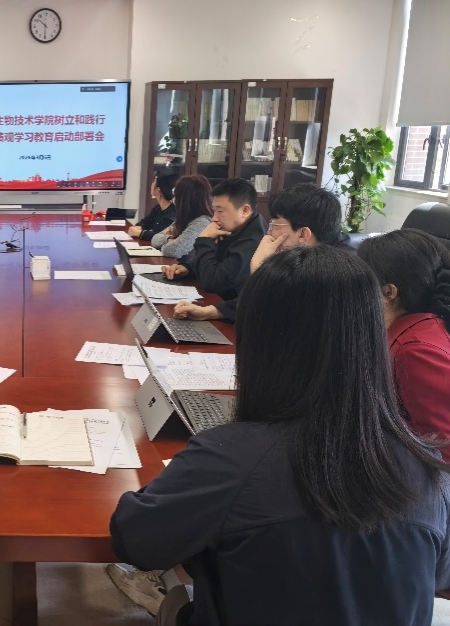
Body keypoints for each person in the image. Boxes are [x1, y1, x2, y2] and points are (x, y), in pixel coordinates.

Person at [110, 246, 450, 625]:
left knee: (178, 597)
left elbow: (134, 541)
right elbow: (438, 575)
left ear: (258, 342)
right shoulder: (429, 467)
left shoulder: (231, 458)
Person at [175, 183, 347, 322]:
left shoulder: (333, 276)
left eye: (274, 225)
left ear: (303, 234)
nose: (268, 233)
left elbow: (275, 318)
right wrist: (210, 312)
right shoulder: (309, 255)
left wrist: (261, 272)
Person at [358, 229, 450, 460]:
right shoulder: (412, 328)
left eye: (362, 283)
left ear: (388, 292)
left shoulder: (417, 351)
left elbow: (442, 446)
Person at [161, 178, 266, 302]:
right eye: (214, 210)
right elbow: (215, 262)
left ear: (245, 211)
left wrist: (204, 239)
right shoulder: (234, 226)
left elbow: (213, 282)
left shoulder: (254, 240)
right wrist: (188, 268)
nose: (214, 218)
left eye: (220, 211)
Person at [149, 175, 212, 259]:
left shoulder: (202, 222)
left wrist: (169, 241)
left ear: (184, 199)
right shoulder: (185, 219)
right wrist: (169, 239)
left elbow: (173, 251)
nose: (174, 200)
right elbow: (154, 239)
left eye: (176, 195)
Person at [128, 169, 178, 241]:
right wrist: (139, 228)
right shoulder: (158, 208)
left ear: (158, 190)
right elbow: (144, 223)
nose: (151, 184)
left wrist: (140, 233)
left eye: (154, 181)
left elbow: (162, 238)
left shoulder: (172, 214)